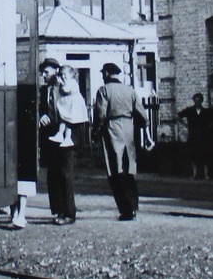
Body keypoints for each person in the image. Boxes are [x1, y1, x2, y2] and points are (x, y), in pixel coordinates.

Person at [92, 61, 153, 220]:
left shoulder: (104, 90)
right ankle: (133, 205)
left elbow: (100, 115)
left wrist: (96, 131)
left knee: (115, 169)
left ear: (106, 74)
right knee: (128, 169)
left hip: (112, 128)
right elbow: (142, 115)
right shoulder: (130, 90)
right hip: (128, 128)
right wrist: (142, 133)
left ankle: (125, 209)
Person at [43, 65, 89, 224]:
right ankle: (58, 210)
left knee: (65, 174)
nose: (44, 75)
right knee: (54, 174)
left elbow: (71, 110)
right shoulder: (46, 91)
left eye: (47, 72)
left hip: (67, 136)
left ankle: (69, 212)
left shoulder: (64, 88)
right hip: (53, 136)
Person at [181, 92, 209, 179]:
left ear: (202, 101)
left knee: (204, 155)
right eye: (196, 100)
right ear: (194, 101)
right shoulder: (190, 110)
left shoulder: (205, 111)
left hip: (203, 135)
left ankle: (205, 174)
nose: (197, 102)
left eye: (199, 100)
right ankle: (194, 174)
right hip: (193, 135)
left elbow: (210, 120)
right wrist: (185, 125)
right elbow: (178, 115)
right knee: (193, 155)